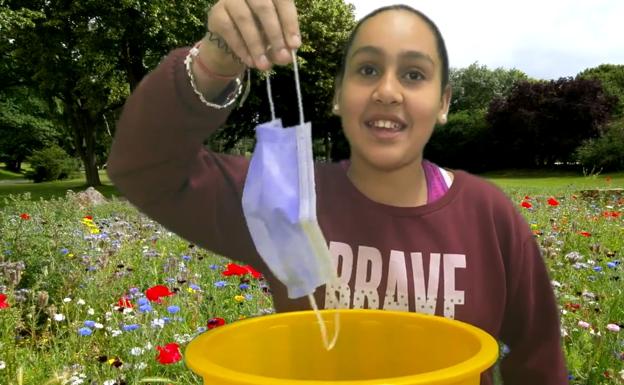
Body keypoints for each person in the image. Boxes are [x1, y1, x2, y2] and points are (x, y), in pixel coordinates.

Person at [106, 2, 568, 384]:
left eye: (414, 74)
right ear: (337, 96)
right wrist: (214, 60)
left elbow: (538, 361)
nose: (387, 91)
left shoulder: (488, 214)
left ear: (443, 102)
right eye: (367, 70)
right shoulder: (284, 197)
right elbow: (146, 169)